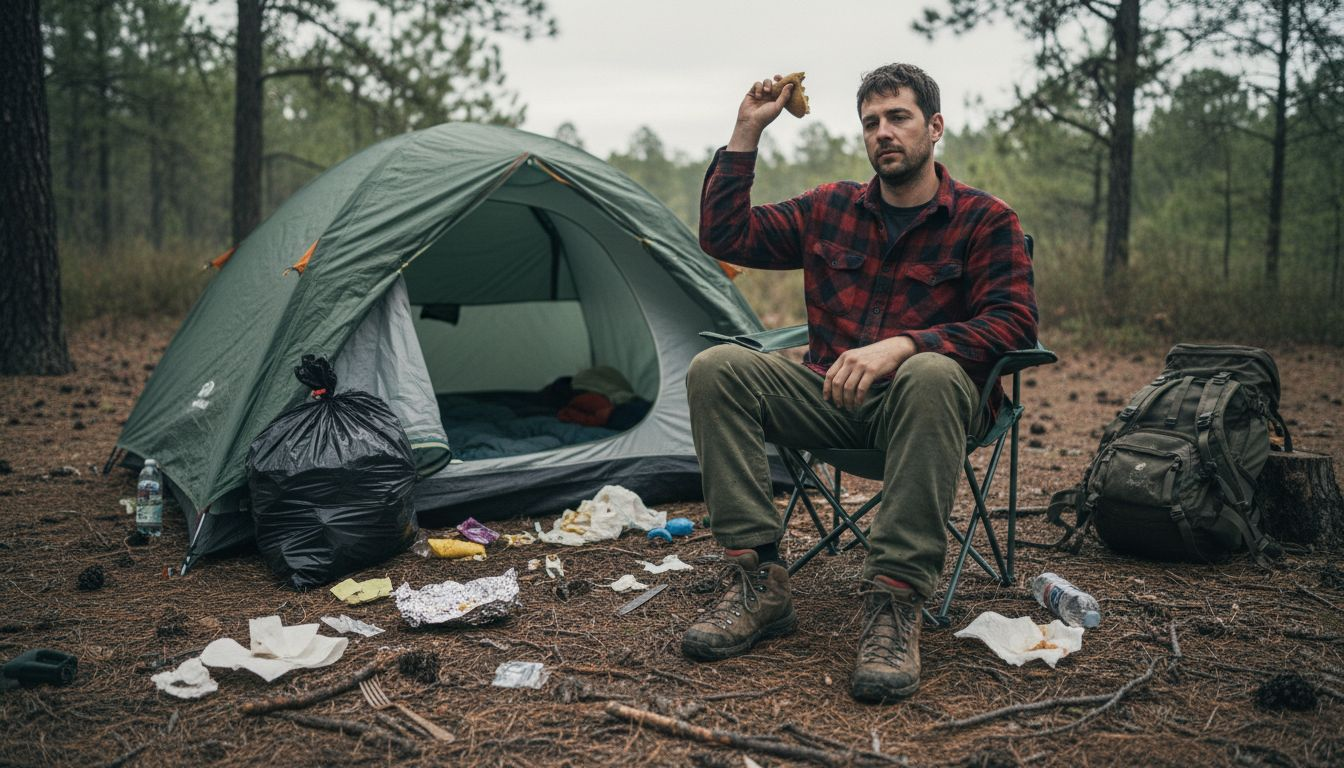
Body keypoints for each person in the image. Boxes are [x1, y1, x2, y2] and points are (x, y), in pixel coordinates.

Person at [680, 63, 1038, 703]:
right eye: (871, 122)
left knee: (928, 372)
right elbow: (724, 236)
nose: (883, 133)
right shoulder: (828, 209)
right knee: (717, 368)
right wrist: (746, 132)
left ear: (934, 127)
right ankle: (757, 580)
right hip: (833, 403)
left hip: (932, 411)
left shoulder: (985, 221)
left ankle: (895, 602)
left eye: (898, 117)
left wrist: (904, 346)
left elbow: (1013, 325)